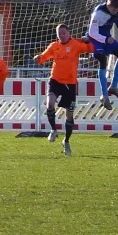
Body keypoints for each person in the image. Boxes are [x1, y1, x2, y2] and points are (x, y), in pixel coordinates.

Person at [33, 24, 95, 155]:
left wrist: (88, 41)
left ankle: (66, 141)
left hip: (70, 83)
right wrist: (38, 58)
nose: (62, 35)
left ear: (68, 33)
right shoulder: (54, 46)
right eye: (59, 34)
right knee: (50, 103)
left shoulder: (76, 44)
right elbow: (43, 57)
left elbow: (90, 49)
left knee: (69, 114)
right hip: (55, 80)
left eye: (64, 33)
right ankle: (53, 130)